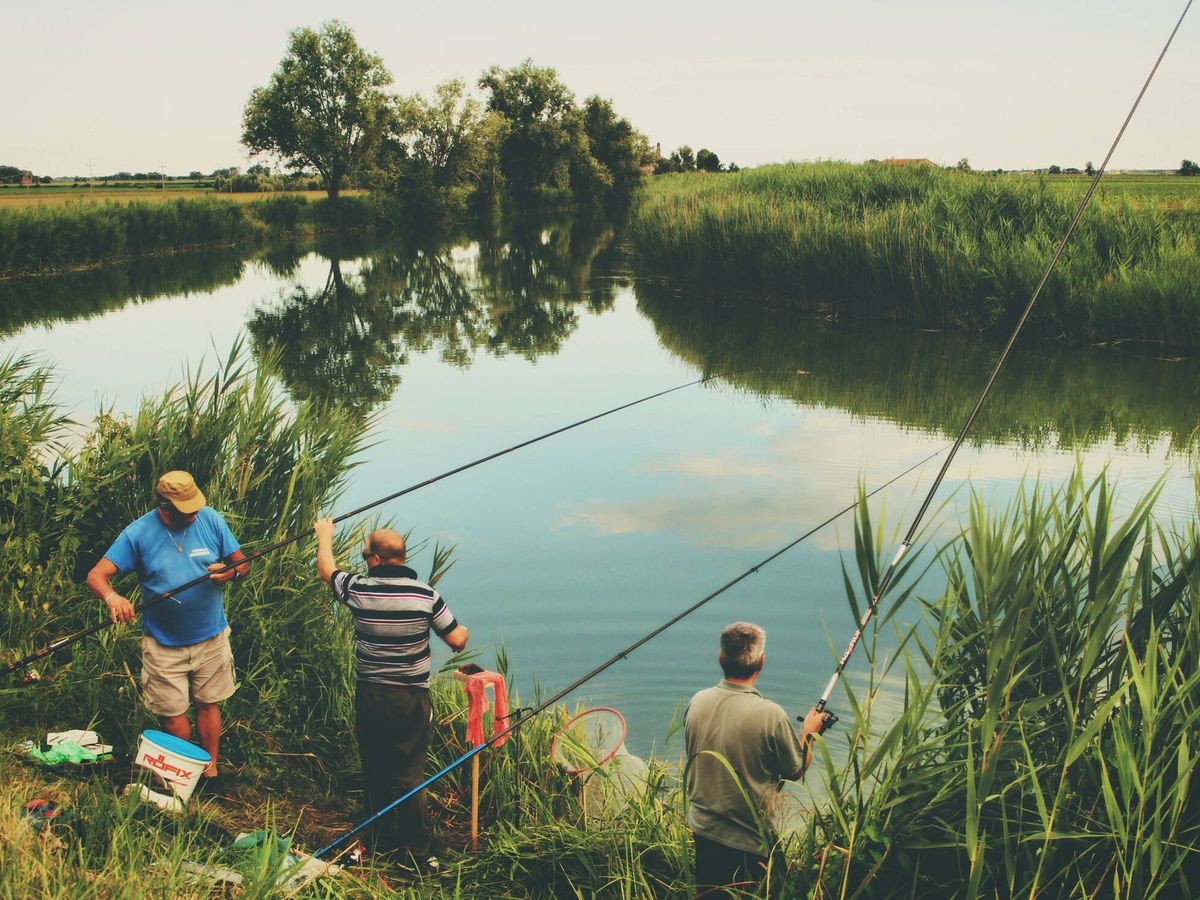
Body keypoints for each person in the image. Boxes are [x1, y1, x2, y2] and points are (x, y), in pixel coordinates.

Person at [313, 516, 468, 872]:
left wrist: (325, 536)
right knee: (409, 772)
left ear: (375, 559)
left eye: (365, 554)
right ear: (401, 556)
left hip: (370, 695)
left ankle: (381, 838)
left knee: (376, 766)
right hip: (410, 698)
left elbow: (327, 570)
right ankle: (415, 850)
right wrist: (464, 632)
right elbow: (458, 640)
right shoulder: (426, 595)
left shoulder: (358, 589)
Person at [86, 471, 248, 782]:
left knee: (208, 703)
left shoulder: (210, 519)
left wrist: (231, 573)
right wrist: (113, 597)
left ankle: (210, 771)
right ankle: (181, 775)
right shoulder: (138, 534)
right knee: (173, 715)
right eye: (186, 510)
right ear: (165, 507)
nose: (194, 514)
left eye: (195, 506)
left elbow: (242, 563)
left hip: (211, 635)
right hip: (163, 643)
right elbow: (96, 576)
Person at [684, 622, 828, 898]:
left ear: (721, 658)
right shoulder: (769, 714)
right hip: (749, 841)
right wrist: (808, 734)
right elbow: (795, 769)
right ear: (761, 661)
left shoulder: (697, 702)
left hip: (703, 830)